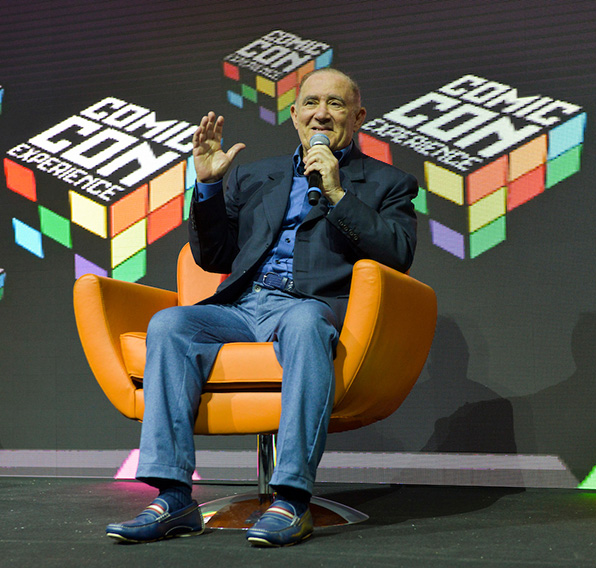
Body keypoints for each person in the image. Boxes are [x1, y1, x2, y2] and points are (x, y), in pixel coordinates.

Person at [106, 68, 418, 547]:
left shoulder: (386, 182)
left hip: (310, 305)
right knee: (169, 324)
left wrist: (336, 192)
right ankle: (173, 497)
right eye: (311, 103)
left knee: (305, 322)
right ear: (293, 115)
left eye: (335, 105)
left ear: (358, 117)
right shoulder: (254, 176)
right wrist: (208, 187)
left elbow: (398, 253)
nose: (321, 114)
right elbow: (214, 258)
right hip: (243, 304)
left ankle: (291, 498)